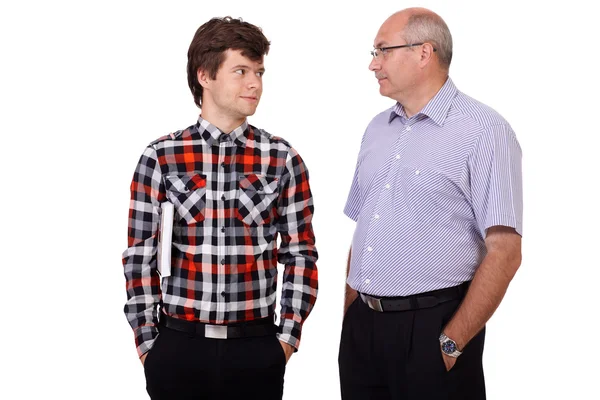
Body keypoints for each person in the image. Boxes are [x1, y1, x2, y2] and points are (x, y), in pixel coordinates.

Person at [122, 16, 318, 400]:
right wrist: (149, 344)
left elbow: (300, 254)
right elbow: (139, 256)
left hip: (256, 349)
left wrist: (286, 340)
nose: (255, 83)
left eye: (259, 72)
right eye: (241, 70)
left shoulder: (282, 158)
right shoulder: (161, 157)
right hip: (178, 346)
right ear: (205, 76)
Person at [339, 7, 522, 400]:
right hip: (362, 332)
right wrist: (350, 314)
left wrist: (451, 343)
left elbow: (505, 251)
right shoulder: (375, 129)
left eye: (383, 50)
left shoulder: (485, 131)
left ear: (425, 53)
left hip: (432, 330)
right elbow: (365, 227)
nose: (373, 64)